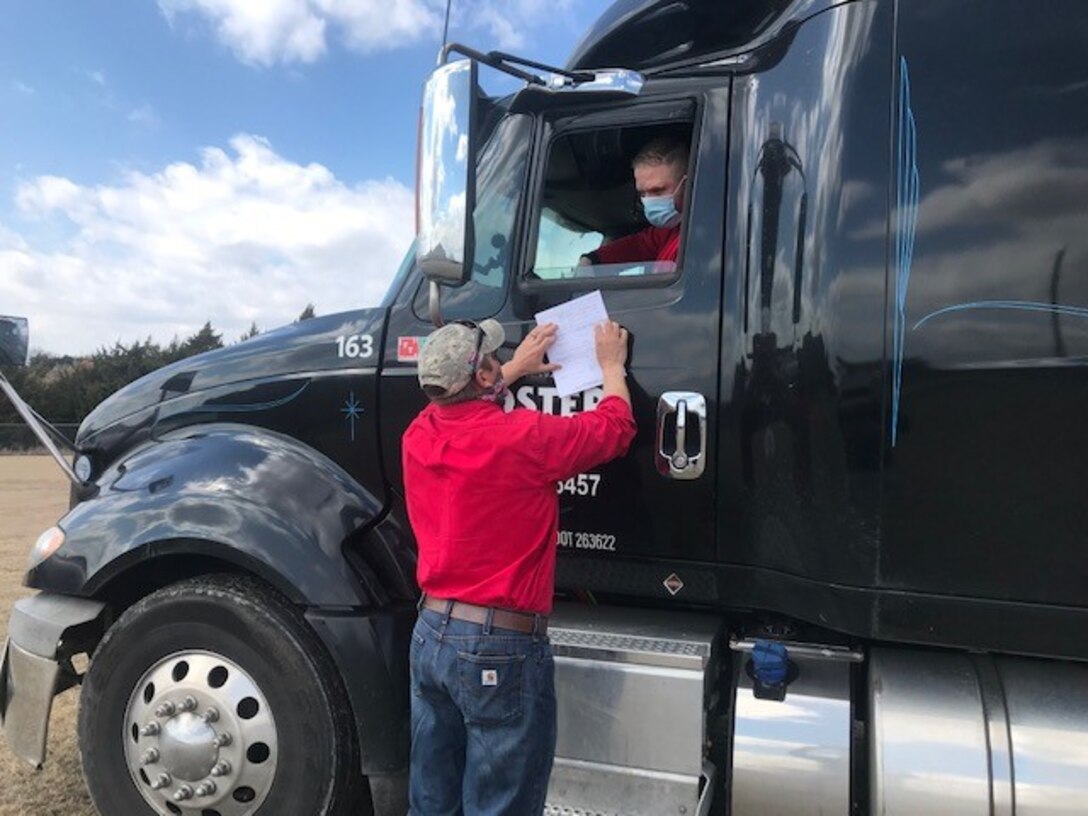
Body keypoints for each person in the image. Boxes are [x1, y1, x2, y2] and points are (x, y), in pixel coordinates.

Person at [402, 317, 636, 815]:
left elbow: (462, 403)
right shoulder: (521, 438)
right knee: (499, 803)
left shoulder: (418, 434)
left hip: (429, 635)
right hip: (497, 648)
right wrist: (612, 365)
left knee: (432, 800)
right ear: (483, 377)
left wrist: (511, 369)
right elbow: (613, 429)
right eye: (491, 357)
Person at [580, 136, 690, 269]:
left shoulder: (703, 236)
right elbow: (641, 245)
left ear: (688, 184)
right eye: (642, 194)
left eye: (658, 191)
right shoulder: (671, 230)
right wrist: (593, 260)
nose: (649, 201)